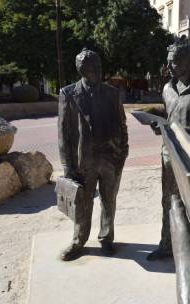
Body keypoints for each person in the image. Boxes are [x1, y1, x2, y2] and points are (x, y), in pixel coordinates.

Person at [58, 49, 128, 261]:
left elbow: (122, 124)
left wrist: (122, 152)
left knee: (109, 200)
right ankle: (79, 241)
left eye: (99, 66)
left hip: (110, 158)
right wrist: (68, 166)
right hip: (84, 162)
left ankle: (106, 238)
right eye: (92, 67)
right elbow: (64, 133)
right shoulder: (68, 94)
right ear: (82, 70)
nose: (98, 70)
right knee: (83, 203)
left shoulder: (112, 92)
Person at [147, 42, 190, 261]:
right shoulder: (167, 88)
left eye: (173, 61)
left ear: (188, 63)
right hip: (168, 155)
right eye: (168, 60)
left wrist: (171, 129)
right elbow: (169, 117)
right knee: (168, 201)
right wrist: (157, 123)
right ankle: (166, 244)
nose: (168, 65)